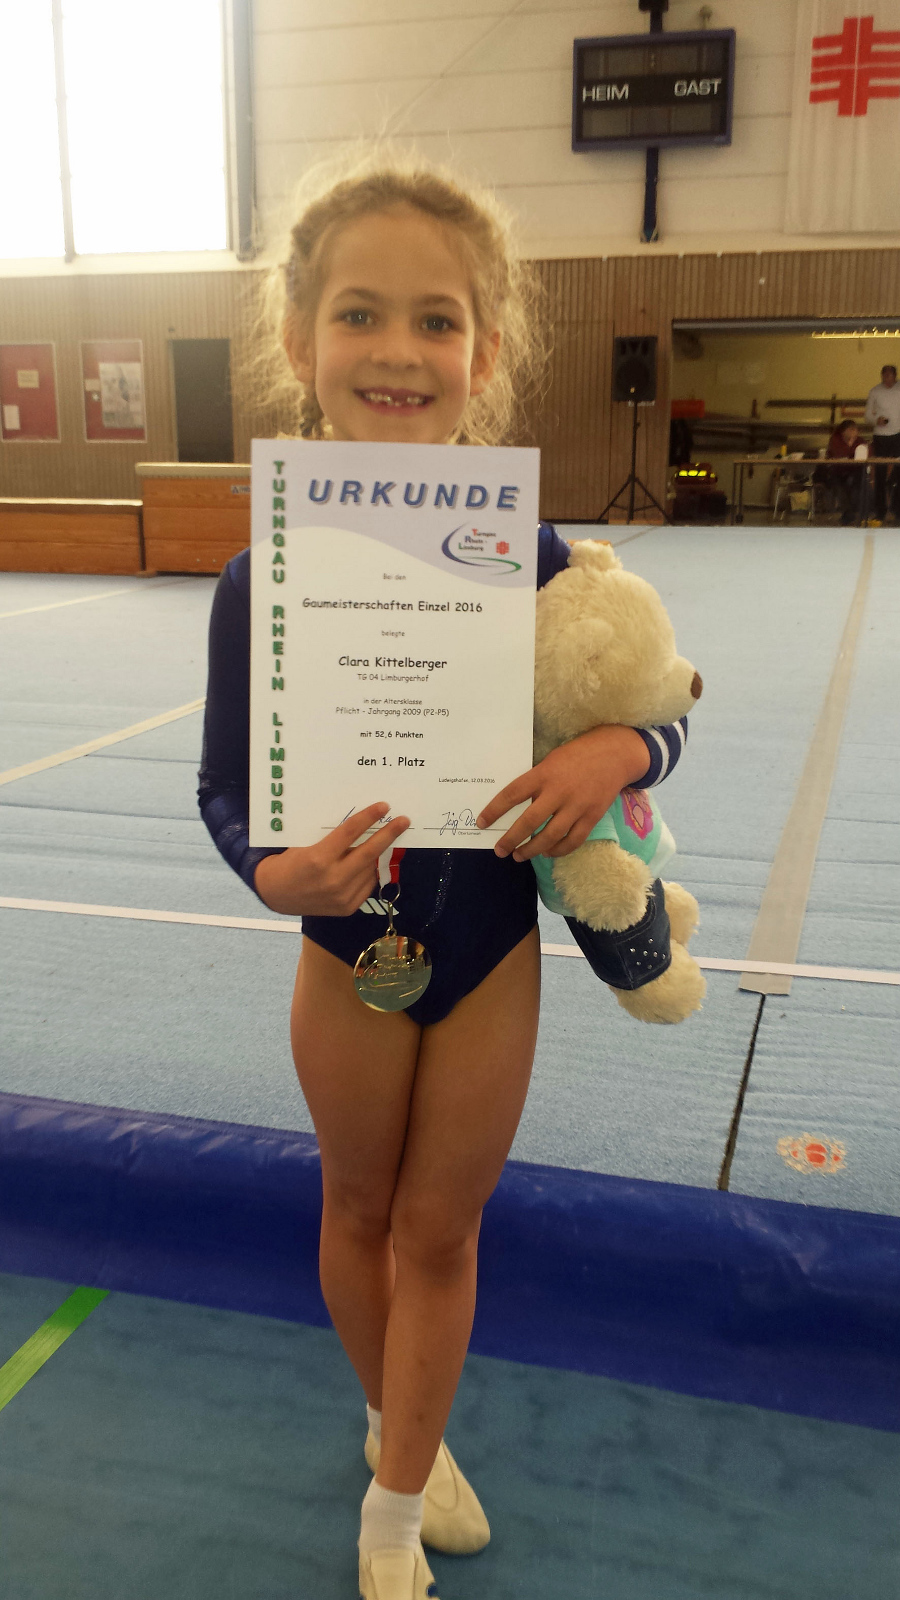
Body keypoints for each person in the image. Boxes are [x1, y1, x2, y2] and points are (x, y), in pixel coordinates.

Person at [198, 156, 690, 1600]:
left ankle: (395, 1509)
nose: (398, 349)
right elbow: (223, 790)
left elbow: (666, 696)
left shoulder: (539, 560)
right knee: (359, 1212)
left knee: (441, 1226)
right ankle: (396, 1426)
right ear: (301, 340)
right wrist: (273, 875)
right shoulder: (259, 581)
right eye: (360, 313)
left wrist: (620, 749)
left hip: (483, 958)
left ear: (485, 351)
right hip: (347, 951)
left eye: (437, 319)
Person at [864, 363, 900, 521]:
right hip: (880, 436)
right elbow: (867, 415)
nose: (887, 379)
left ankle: (897, 508)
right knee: (879, 473)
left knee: (898, 472)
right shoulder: (875, 391)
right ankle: (880, 510)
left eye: (890, 376)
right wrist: (876, 420)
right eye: (884, 376)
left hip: (898, 435)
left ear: (895, 376)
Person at [819, 417, 866, 524]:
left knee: (857, 483)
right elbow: (838, 454)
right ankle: (848, 513)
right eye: (851, 429)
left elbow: (865, 453)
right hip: (837, 471)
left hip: (855, 471)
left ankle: (854, 512)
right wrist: (850, 445)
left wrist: (853, 445)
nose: (854, 432)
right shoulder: (835, 439)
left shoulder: (860, 440)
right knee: (839, 486)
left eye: (855, 429)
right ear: (843, 431)